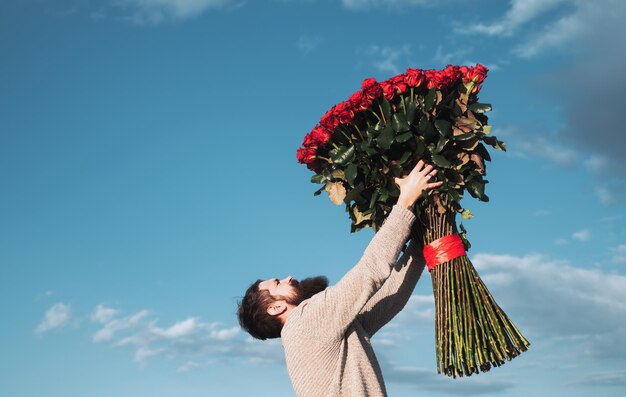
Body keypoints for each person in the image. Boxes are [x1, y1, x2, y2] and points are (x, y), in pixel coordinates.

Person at [237, 160, 442, 397]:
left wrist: (418, 247)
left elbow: (388, 301)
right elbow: (369, 271)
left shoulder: (320, 332)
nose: (289, 277)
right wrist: (405, 201)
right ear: (275, 307)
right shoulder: (305, 322)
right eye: (277, 283)